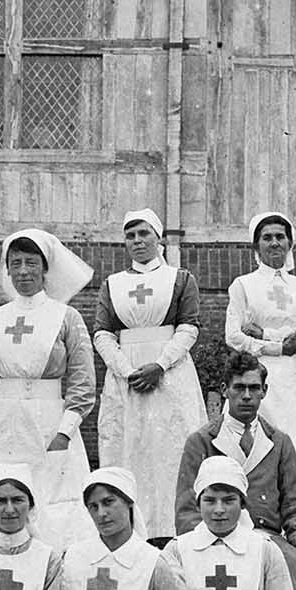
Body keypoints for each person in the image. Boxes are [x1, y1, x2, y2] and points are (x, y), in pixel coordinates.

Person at [0, 228, 97, 549]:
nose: (23, 271)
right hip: (2, 425)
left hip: (51, 422)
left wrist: (64, 432)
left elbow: (82, 380)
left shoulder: (66, 316)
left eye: (31, 263)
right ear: (7, 269)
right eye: (16, 263)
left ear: (45, 268)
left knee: (53, 503)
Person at [173, 352, 296, 590]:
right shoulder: (201, 440)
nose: (247, 396)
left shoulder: (279, 442)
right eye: (239, 388)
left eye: (254, 388)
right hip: (215, 534)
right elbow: (187, 509)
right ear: (225, 391)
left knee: (291, 562)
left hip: (267, 537)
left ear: (265, 391)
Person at [91, 208, 206, 540]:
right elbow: (102, 333)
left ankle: (176, 530)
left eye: (144, 234)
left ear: (158, 238)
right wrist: (127, 372)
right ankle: (132, 531)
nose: (138, 241)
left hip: (169, 375)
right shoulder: (113, 284)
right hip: (127, 380)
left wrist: (160, 364)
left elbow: (189, 327)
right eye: (131, 235)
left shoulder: (180, 279)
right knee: (129, 449)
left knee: (171, 450)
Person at [224, 212, 296, 475]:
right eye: (267, 238)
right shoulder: (243, 284)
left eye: (280, 237)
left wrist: (262, 332)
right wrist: (277, 344)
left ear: (290, 243)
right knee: (253, 440)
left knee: (292, 440)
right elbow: (233, 336)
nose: (274, 243)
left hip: (290, 376)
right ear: (256, 246)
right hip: (253, 371)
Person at [163, 457, 296, 590]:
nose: (219, 509)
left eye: (228, 500)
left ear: (242, 504)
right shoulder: (176, 550)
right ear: (198, 503)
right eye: (210, 500)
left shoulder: (265, 550)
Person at [57, 467, 197, 590]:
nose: (101, 513)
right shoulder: (73, 558)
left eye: (109, 502)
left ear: (129, 502)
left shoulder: (154, 561)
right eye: (93, 506)